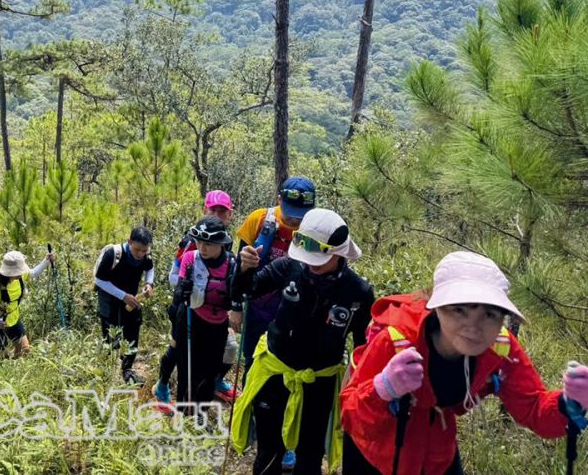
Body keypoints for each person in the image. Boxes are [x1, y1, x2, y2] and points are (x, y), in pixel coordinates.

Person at [340, 250, 588, 475]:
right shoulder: (397, 341)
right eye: (460, 310)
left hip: (438, 450)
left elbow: (533, 407)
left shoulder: (500, 347)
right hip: (375, 451)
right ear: (437, 307)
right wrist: (383, 388)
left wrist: (570, 405)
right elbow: (350, 416)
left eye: (489, 314)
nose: (474, 327)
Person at [230, 209, 374, 475]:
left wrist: (356, 387)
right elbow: (246, 290)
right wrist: (244, 269)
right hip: (275, 374)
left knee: (310, 456)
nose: (312, 265)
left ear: (340, 252)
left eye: (320, 258)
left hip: (319, 382)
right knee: (268, 452)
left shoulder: (358, 293)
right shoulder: (289, 267)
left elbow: (365, 346)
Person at [154, 190, 238, 408]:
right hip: (187, 307)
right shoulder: (191, 243)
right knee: (178, 349)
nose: (218, 214)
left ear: (230, 214)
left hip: (214, 314)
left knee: (220, 353)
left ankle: (208, 392)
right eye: (213, 210)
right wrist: (188, 290)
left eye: (223, 211)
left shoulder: (227, 245)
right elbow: (175, 275)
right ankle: (163, 385)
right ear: (205, 209)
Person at [232, 176, 317, 373]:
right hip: (258, 305)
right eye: (290, 213)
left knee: (287, 364)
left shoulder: (315, 228)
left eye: (301, 215)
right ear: (279, 199)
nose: (295, 220)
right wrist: (236, 306)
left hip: (294, 309)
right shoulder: (259, 219)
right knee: (253, 360)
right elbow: (239, 265)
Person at [175, 216, 242, 410]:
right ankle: (182, 410)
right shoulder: (190, 258)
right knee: (187, 368)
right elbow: (178, 294)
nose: (202, 248)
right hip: (190, 319)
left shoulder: (231, 263)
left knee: (211, 371)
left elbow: (237, 292)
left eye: (208, 244)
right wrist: (183, 290)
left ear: (220, 244)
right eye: (198, 242)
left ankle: (200, 411)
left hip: (218, 324)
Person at [93, 226, 155, 385]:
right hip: (109, 297)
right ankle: (110, 371)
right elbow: (99, 280)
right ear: (129, 242)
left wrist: (149, 284)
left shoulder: (145, 256)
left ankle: (127, 370)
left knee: (133, 330)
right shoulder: (113, 254)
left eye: (144, 250)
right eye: (137, 250)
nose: (140, 254)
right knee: (111, 332)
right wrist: (123, 296)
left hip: (131, 298)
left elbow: (150, 268)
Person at [0, 249, 55, 358]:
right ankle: (6, 368)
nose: (21, 273)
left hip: (13, 317)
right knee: (3, 356)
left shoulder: (20, 276)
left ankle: (15, 365)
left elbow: (33, 273)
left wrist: (46, 260)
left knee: (25, 349)